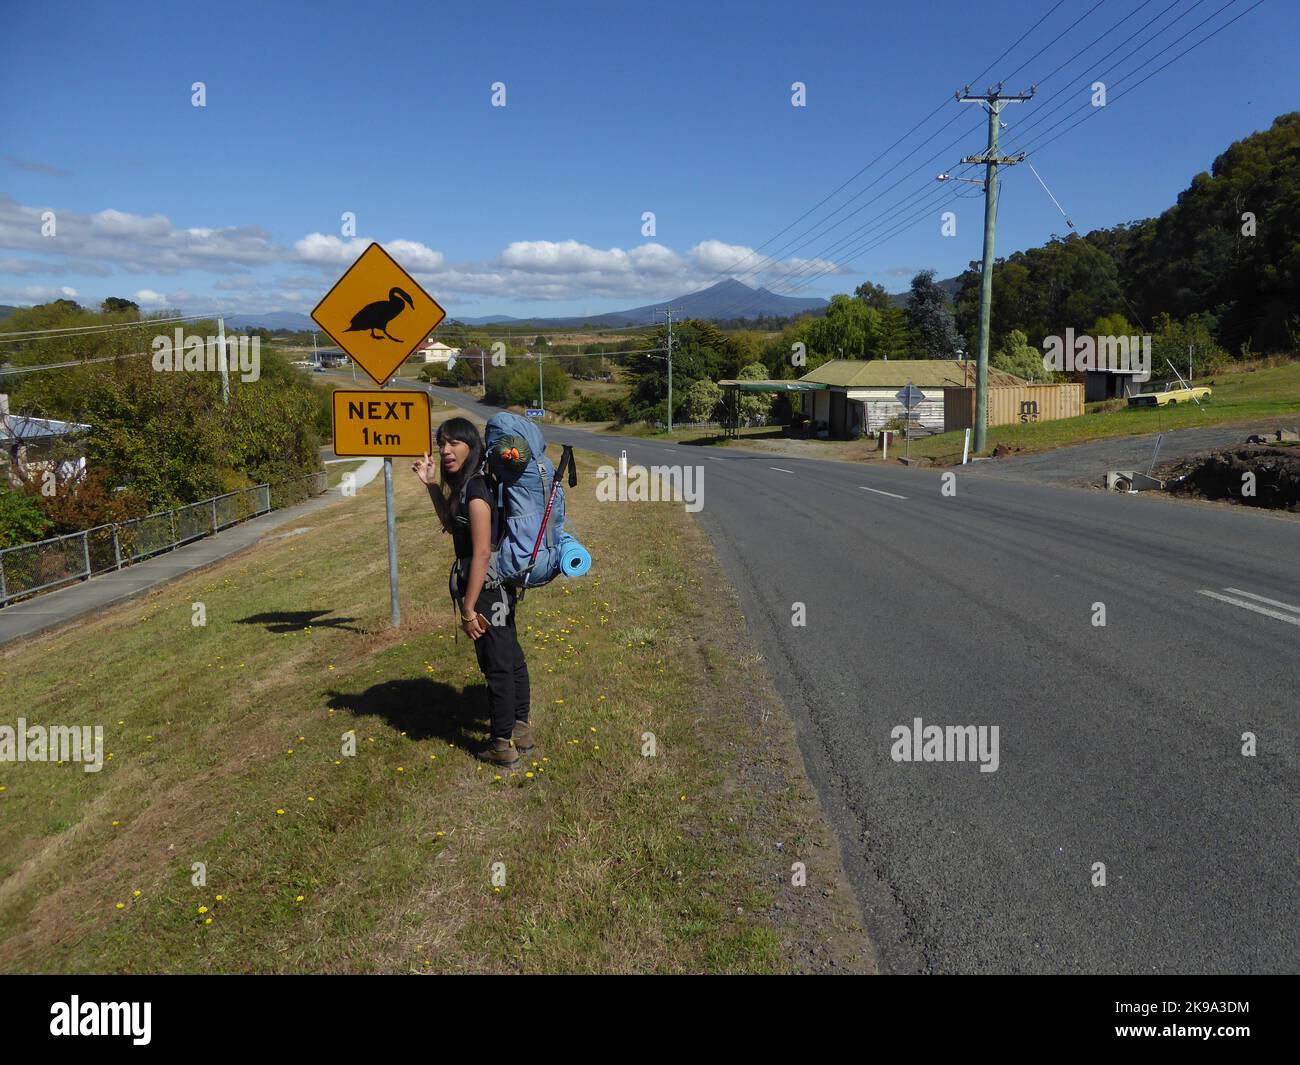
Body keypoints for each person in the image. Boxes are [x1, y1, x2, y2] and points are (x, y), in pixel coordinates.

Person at [412, 418, 532, 770]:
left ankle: (501, 743)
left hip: (486, 589)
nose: (446, 450)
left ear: (471, 445)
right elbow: (453, 526)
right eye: (441, 443)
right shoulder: (469, 486)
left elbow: (480, 552)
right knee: (509, 653)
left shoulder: (477, 490)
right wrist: (432, 485)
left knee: (497, 664)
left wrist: (468, 608)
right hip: (493, 586)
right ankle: (520, 730)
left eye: (454, 443)